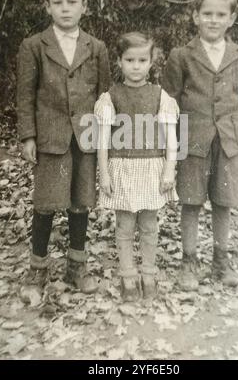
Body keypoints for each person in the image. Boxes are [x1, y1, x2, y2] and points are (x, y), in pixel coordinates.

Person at [17, 0, 110, 295]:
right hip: (51, 138)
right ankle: (37, 269)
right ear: (47, 6)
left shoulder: (96, 48)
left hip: (85, 138)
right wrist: (28, 136)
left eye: (72, 2)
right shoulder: (34, 46)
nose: (65, 8)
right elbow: (25, 95)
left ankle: (76, 267)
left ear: (85, 6)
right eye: (58, 2)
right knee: (45, 203)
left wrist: (106, 139)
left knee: (81, 203)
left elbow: (104, 97)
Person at [162, 0, 238, 290]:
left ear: (231, 19)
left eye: (220, 15)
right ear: (195, 16)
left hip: (227, 140)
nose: (213, 20)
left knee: (223, 201)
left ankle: (220, 260)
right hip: (192, 139)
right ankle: (189, 261)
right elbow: (168, 101)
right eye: (207, 14)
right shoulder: (182, 55)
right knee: (191, 201)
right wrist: (170, 144)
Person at [94, 32, 179, 301]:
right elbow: (103, 141)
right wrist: (104, 172)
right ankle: (128, 276)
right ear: (119, 61)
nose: (136, 66)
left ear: (151, 61)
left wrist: (169, 169)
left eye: (142, 60)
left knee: (149, 224)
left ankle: (149, 273)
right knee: (125, 224)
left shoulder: (159, 96)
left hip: (151, 167)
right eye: (130, 59)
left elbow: (171, 139)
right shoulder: (111, 96)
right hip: (122, 167)